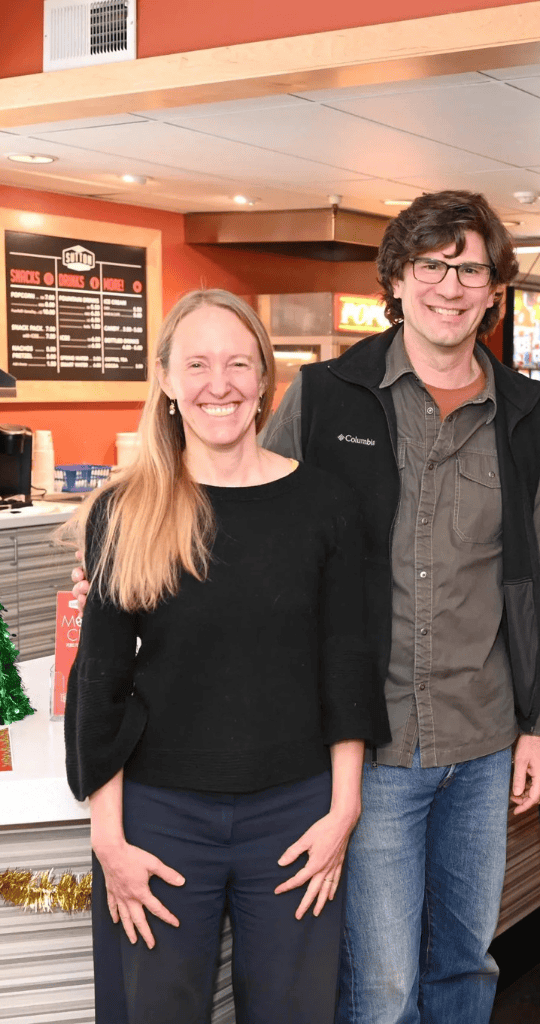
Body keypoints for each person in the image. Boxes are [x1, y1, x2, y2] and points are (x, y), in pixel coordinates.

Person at [62, 288, 390, 1024]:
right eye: (199, 363)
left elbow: (347, 660)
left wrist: (344, 808)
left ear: (265, 379)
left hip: (297, 815)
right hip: (158, 818)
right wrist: (108, 837)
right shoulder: (128, 509)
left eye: (240, 363)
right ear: (169, 382)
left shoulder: (324, 503)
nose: (221, 383)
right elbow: (101, 680)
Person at [260, 190, 540, 1024]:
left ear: (496, 288)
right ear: (396, 277)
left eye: (472, 269)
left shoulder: (528, 414)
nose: (451, 287)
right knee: (380, 986)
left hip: (486, 744)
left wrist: (537, 723)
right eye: (432, 266)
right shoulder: (323, 397)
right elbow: (254, 532)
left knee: (465, 964)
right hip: (368, 748)